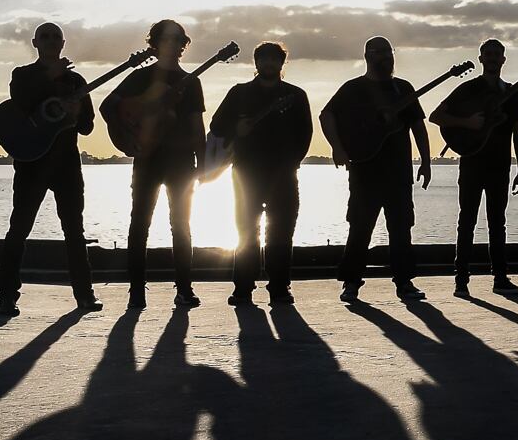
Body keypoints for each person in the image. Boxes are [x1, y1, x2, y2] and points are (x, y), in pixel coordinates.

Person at [0, 22, 103, 317]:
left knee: (74, 231)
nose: (51, 41)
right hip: (32, 162)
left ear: (63, 43)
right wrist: (51, 77)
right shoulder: (23, 75)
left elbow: (87, 126)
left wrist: (77, 113)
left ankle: (85, 295)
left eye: (56, 37)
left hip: (67, 163)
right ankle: (7, 296)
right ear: (35, 42)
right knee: (19, 228)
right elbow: (22, 101)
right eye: (45, 36)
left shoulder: (77, 81)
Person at [101, 19, 204, 309]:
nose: (175, 46)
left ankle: (184, 290)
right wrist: (128, 135)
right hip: (147, 160)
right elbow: (108, 106)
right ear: (155, 44)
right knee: (140, 224)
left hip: (182, 162)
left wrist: (204, 161)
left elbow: (198, 126)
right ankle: (136, 291)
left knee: (181, 226)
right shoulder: (139, 79)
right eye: (168, 40)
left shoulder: (192, 82)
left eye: (179, 41)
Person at [321, 36, 432, 304]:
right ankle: (351, 283)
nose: (385, 57)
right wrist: (338, 148)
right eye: (379, 52)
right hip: (364, 168)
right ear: (367, 56)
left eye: (388, 52)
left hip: (399, 171)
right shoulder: (353, 88)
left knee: (401, 227)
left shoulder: (403, 89)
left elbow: (418, 126)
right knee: (360, 228)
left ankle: (404, 283)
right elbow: (327, 115)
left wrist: (426, 161)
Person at [209, 41, 313, 307]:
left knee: (281, 233)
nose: (268, 63)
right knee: (246, 231)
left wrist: (293, 162)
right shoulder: (239, 93)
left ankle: (279, 288)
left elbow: (306, 133)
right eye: (263, 59)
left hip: (284, 174)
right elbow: (217, 125)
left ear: (281, 63)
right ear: (256, 63)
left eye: (273, 59)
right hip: (246, 174)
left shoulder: (296, 95)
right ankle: (243, 288)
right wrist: (236, 128)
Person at [430, 38, 518, 299]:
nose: (493, 58)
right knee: (467, 221)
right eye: (489, 54)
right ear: (481, 58)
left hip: (500, 166)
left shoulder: (513, 93)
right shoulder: (468, 89)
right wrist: (468, 123)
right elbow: (436, 116)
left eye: (498, 54)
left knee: (498, 223)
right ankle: (461, 281)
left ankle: (500, 279)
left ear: (503, 60)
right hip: (472, 163)